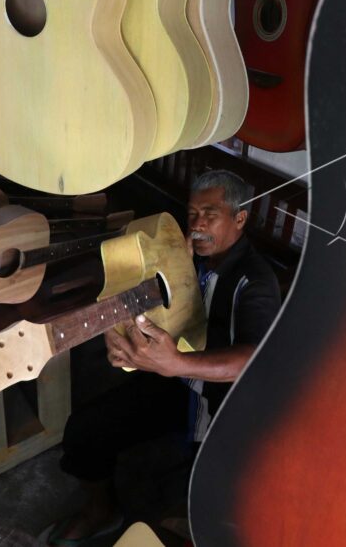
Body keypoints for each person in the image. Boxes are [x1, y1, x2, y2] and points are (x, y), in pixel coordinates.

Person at [45, 169, 282, 546]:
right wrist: (117, 335)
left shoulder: (255, 281)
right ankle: (100, 509)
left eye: (211, 213)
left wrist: (176, 365)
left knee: (188, 513)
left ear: (240, 218)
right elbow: (135, 304)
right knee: (86, 429)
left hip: (224, 403)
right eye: (192, 214)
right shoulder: (186, 255)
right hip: (176, 383)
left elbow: (255, 360)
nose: (198, 224)